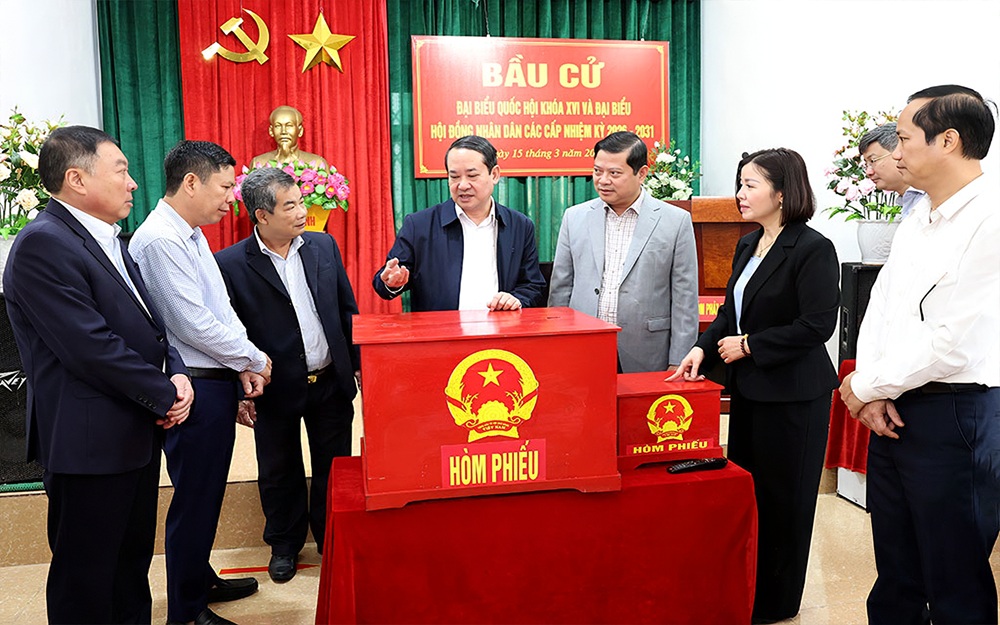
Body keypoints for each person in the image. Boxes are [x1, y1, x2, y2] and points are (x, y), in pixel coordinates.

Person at [2, 126, 193, 623]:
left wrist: (176, 371)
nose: (133, 183)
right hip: (90, 443)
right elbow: (89, 347)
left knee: (129, 570)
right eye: (121, 170)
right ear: (77, 179)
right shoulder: (43, 244)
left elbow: (149, 324)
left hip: (131, 430)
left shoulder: (106, 237)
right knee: (87, 581)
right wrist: (165, 392)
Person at [839, 85, 1000, 624]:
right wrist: (872, 388)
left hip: (958, 413)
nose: (896, 151)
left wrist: (867, 386)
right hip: (895, 405)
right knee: (896, 572)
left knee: (955, 579)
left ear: (947, 141)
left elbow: (953, 340)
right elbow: (882, 309)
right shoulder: (918, 216)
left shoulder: (991, 219)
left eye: (905, 139)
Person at [669, 148, 839, 622]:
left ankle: (777, 603)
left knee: (786, 501)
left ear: (782, 193)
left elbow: (817, 325)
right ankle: (748, 590)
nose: (740, 194)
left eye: (750, 185)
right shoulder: (748, 244)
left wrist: (750, 345)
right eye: (740, 184)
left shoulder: (813, 248)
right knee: (751, 496)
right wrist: (702, 347)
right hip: (750, 390)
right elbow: (730, 313)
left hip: (794, 395)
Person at [130, 141, 272, 625]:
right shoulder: (160, 240)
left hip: (215, 375)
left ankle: (198, 577)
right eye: (225, 187)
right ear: (191, 182)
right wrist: (254, 358)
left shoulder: (188, 234)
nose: (232, 198)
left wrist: (242, 364)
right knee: (194, 499)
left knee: (206, 494)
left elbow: (221, 310)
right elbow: (191, 323)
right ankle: (187, 611)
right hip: (191, 385)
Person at [216, 167, 361, 583]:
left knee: (334, 466)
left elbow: (346, 309)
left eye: (301, 202)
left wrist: (357, 366)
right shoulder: (230, 264)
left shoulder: (322, 245)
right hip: (274, 386)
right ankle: (284, 544)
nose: (302, 212)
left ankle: (333, 537)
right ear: (262, 215)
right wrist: (239, 390)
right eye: (291, 206)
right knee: (279, 469)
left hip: (329, 379)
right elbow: (229, 333)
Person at [548, 131, 698, 372]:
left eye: (614, 173)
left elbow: (684, 297)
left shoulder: (675, 221)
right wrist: (557, 347)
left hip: (647, 351)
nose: (603, 180)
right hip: (583, 346)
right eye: (597, 171)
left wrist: (679, 359)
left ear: (642, 173)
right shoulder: (574, 217)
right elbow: (561, 289)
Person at [372, 135, 546, 311]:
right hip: (441, 327)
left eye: (472, 175)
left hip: (501, 326)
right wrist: (391, 282)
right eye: (454, 177)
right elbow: (385, 280)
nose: (462, 185)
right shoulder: (419, 225)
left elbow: (532, 286)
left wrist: (516, 299)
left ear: (494, 175)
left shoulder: (520, 226)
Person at [859, 122, 924, 219]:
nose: (868, 172)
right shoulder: (906, 201)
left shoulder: (932, 197)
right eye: (866, 164)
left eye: (873, 160)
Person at [251, 105, 328, 168]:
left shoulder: (317, 163)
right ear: (271, 131)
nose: (283, 131)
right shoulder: (258, 163)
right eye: (278, 126)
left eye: (289, 126)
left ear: (300, 131)